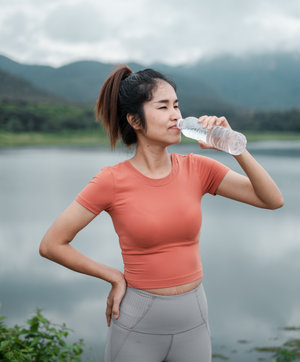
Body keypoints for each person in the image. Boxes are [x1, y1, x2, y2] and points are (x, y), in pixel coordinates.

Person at [39, 65, 284, 362]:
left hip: (194, 317)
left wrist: (234, 146)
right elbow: (52, 244)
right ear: (134, 120)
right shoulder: (111, 181)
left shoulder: (198, 168)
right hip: (137, 320)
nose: (176, 116)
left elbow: (272, 200)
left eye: (177, 105)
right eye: (163, 106)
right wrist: (114, 277)